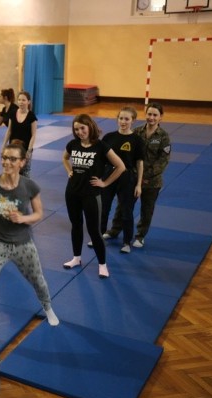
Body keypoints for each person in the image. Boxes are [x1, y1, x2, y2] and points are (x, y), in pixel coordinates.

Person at [0, 143, 59, 326]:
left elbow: (39, 213)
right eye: (4, 157)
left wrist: (23, 219)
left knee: (38, 280)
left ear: (22, 162)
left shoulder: (29, 186)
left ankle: (48, 308)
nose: (7, 162)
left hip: (23, 244)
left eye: (12, 159)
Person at [62, 114, 125, 279]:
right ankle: (76, 258)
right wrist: (69, 171)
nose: (80, 132)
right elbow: (64, 158)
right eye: (76, 129)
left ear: (90, 126)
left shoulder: (101, 146)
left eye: (82, 128)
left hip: (91, 194)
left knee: (94, 231)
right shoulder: (73, 144)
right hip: (72, 192)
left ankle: (102, 264)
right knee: (76, 225)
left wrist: (104, 183)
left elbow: (120, 166)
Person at [106, 102, 171, 248]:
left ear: (161, 117)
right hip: (132, 178)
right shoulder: (136, 132)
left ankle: (140, 236)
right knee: (123, 206)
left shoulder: (164, 137)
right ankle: (115, 230)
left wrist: (145, 178)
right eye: (149, 114)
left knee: (146, 209)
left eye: (155, 115)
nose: (151, 117)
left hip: (152, 182)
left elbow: (163, 161)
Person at [99, 107, 144, 254]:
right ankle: (98, 236)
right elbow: (100, 159)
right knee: (103, 207)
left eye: (127, 119)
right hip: (108, 175)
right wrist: (99, 177)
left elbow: (139, 163)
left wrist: (138, 184)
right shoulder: (108, 137)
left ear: (133, 121)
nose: (123, 122)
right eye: (121, 118)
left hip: (127, 177)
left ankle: (126, 242)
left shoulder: (137, 140)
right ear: (117, 119)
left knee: (126, 211)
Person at [4, 91, 38, 177]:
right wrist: (4, 145)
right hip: (13, 148)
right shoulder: (12, 113)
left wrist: (29, 151)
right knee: (11, 173)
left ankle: (24, 190)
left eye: (23, 100)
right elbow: (9, 131)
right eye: (19, 100)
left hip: (25, 149)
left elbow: (33, 135)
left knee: (24, 174)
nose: (21, 102)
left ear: (28, 102)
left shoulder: (31, 116)